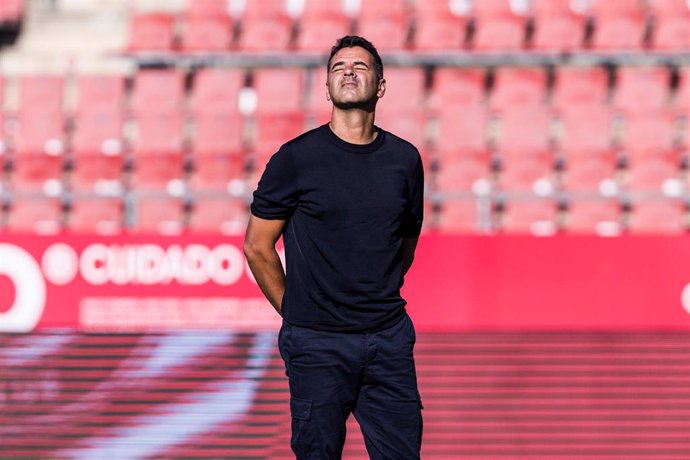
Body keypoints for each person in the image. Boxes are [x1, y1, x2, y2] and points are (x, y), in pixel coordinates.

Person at [243, 35, 424, 459]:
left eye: (360, 66)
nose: (348, 71)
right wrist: (298, 313)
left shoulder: (405, 159)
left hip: (388, 339)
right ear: (326, 86)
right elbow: (257, 246)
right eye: (338, 66)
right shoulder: (295, 158)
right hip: (317, 344)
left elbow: (406, 241)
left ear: (380, 85)